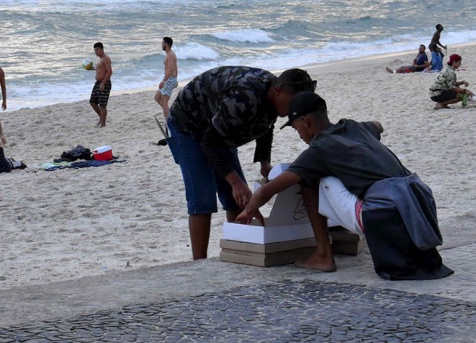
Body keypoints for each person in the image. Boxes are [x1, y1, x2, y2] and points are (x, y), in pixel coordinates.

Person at [237, 91, 452, 280]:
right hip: (416, 203)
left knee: (308, 178)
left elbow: (268, 189)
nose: (300, 136)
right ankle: (335, 241)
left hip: (382, 212)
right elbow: (378, 125)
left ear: (305, 122)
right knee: (333, 172)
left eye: (296, 129)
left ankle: (323, 256)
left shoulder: (318, 150)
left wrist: (250, 209)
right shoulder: (355, 127)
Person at [166, 65, 316, 259]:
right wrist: (236, 183)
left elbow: (266, 124)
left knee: (238, 198)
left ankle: (238, 252)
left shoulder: (274, 94)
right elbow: (210, 142)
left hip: (220, 127)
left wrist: (264, 163)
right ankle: (199, 264)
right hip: (188, 125)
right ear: (278, 92)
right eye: (293, 105)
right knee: (203, 197)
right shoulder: (244, 98)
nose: (293, 111)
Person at [154, 36, 178, 123]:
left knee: (164, 101)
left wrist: (164, 81)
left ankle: (169, 121)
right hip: (170, 79)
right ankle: (170, 114)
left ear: (166, 44)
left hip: (169, 79)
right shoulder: (169, 54)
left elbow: (171, 69)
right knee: (157, 97)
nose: (161, 45)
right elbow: (176, 68)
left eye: (162, 43)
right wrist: (176, 79)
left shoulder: (171, 55)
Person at [90, 42, 113, 128]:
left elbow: (110, 72)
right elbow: (101, 70)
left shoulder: (106, 58)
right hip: (98, 83)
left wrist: (103, 83)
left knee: (102, 105)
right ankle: (101, 118)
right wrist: (93, 69)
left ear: (102, 49)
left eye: (97, 49)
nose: (96, 52)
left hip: (105, 83)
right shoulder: (100, 59)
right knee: (92, 102)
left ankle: (103, 123)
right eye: (95, 50)